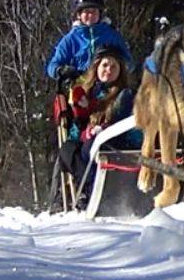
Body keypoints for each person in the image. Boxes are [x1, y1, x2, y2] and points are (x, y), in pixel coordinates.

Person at [57, 45, 138, 206]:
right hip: (90, 139)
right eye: (105, 65)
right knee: (68, 149)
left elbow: (121, 121)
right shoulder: (87, 92)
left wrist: (96, 128)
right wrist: (80, 126)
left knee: (89, 148)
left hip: (117, 140)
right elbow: (77, 129)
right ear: (97, 67)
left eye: (114, 66)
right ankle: (88, 190)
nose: (108, 69)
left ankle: (93, 192)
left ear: (120, 71)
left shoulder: (125, 94)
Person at [46, 0, 133, 83]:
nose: (91, 15)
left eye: (94, 12)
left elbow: (129, 62)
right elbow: (52, 66)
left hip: (108, 86)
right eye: (87, 12)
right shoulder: (70, 39)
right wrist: (61, 71)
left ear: (100, 14)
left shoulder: (112, 36)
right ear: (79, 15)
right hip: (79, 87)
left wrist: (116, 67)